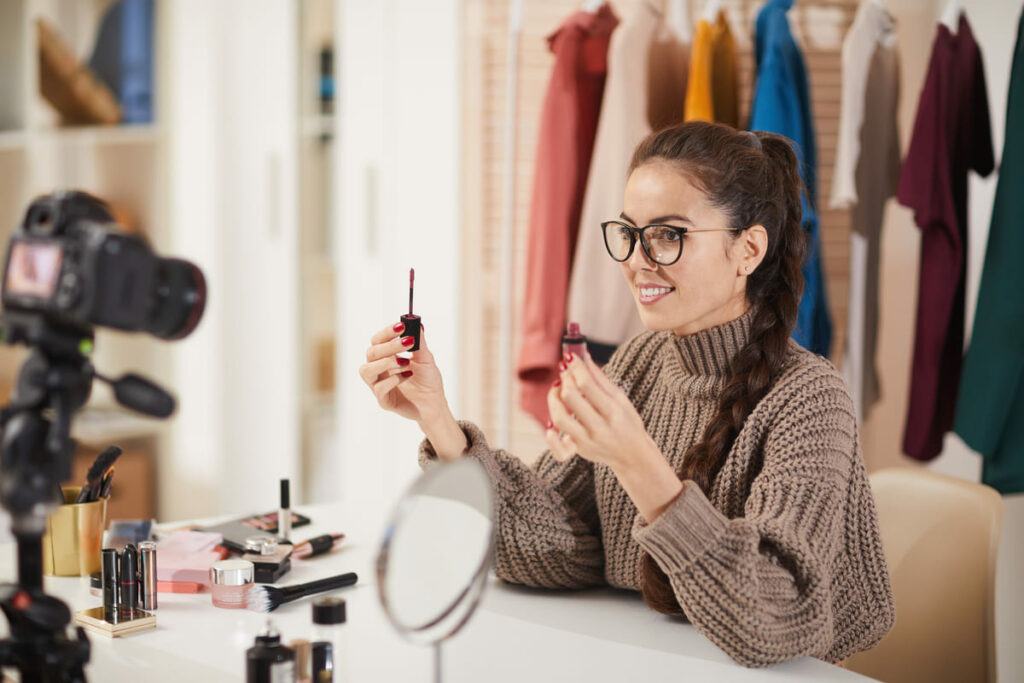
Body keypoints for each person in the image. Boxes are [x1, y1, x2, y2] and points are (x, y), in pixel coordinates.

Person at [359, 121, 895, 668]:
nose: (637, 259)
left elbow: (776, 620)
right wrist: (440, 423)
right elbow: (552, 547)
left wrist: (638, 463)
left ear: (748, 250)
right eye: (629, 232)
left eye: (668, 234)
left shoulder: (810, 398)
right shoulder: (640, 361)